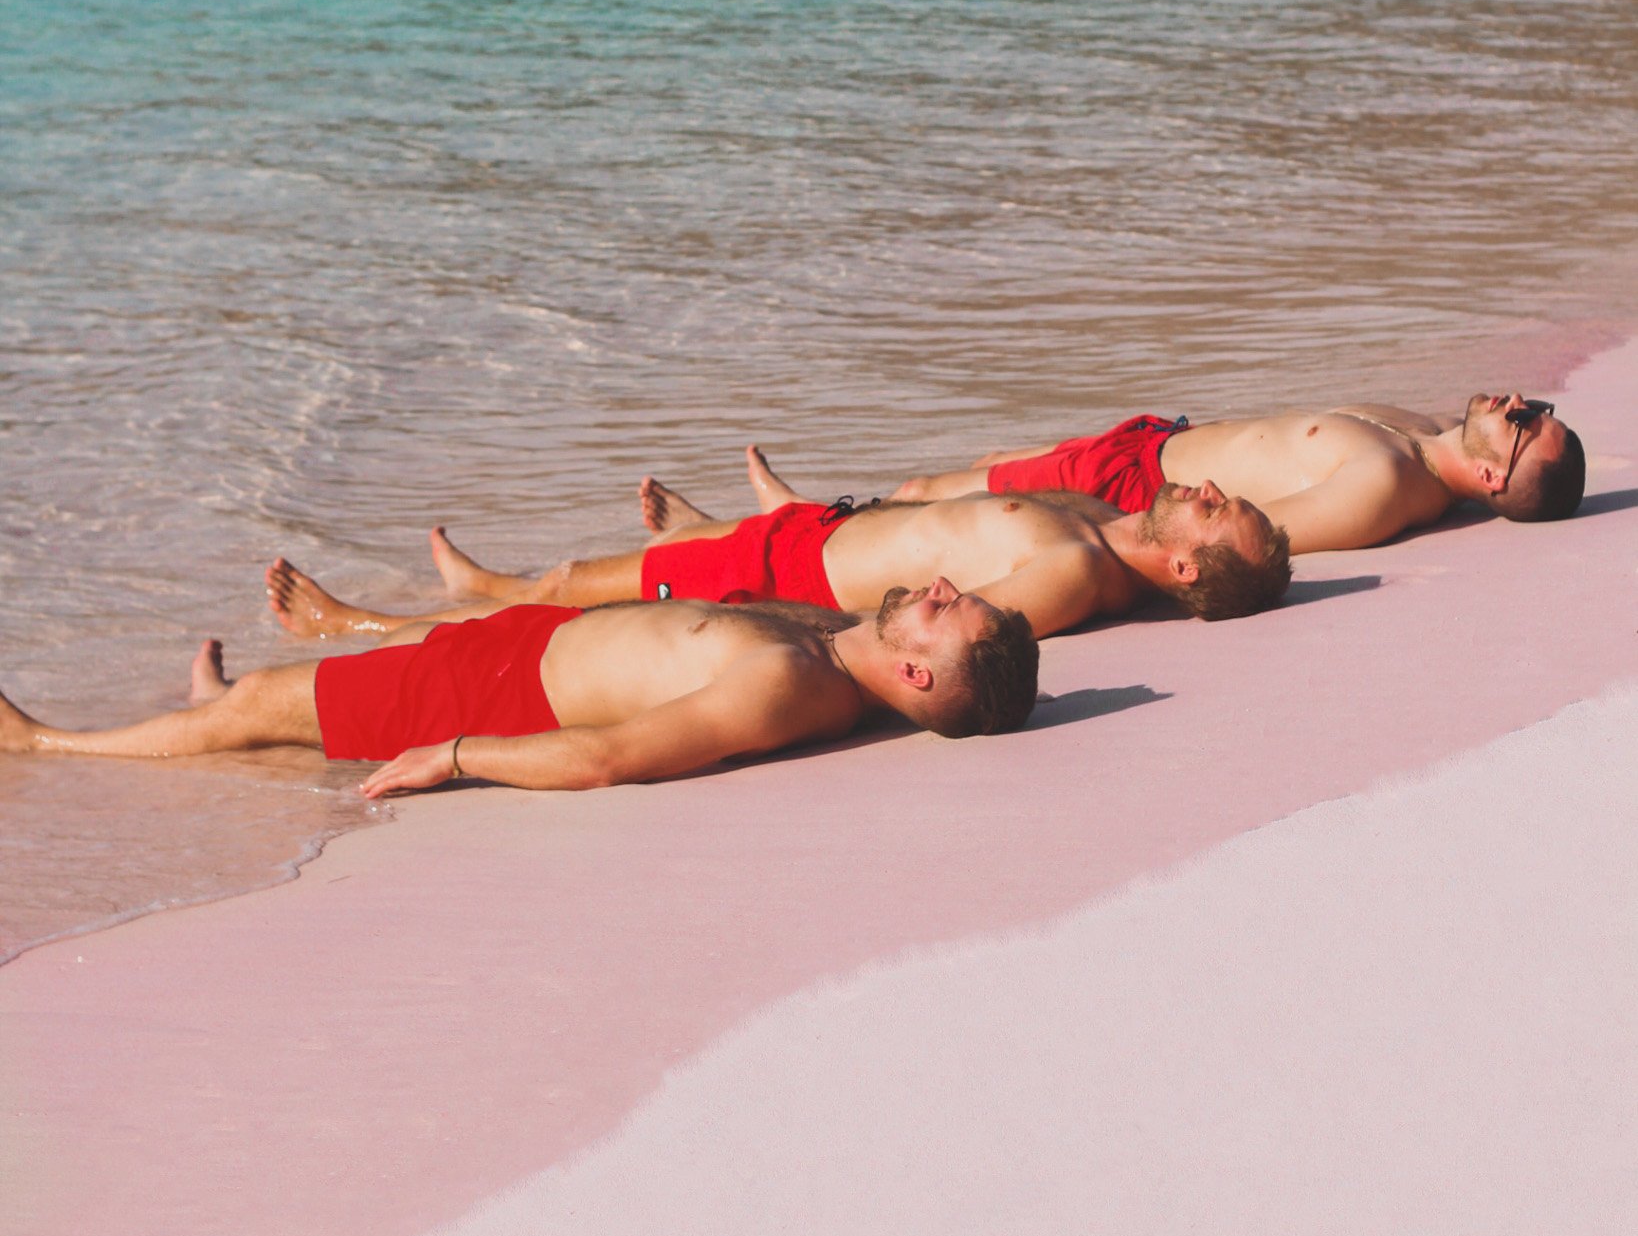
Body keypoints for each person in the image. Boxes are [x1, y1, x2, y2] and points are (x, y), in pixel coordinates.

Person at [0, 582, 1040, 798]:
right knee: (289, 698)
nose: (944, 586)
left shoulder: (789, 681)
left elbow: (609, 757)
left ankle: (49, 745)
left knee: (260, 703)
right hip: (528, 646)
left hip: (496, 693)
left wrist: (457, 753)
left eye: (954, 612)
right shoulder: (838, 651)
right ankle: (224, 711)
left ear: (916, 672)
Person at [263, 444, 1291, 646]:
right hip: (814, 537)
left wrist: (756, 610)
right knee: (564, 586)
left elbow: (910, 625)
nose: (1204, 486)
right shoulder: (1103, 535)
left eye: (1215, 509)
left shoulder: (1073, 573)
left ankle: (358, 626)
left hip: (785, 574)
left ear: (1190, 565)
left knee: (572, 595)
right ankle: (478, 585)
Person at [891, 392, 1585, 554]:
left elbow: (1254, 534)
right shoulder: (1429, 442)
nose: (1517, 403)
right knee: (987, 465)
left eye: (1523, 423)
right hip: (1154, 441)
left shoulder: (1385, 488)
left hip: (1127, 487)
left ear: (1493, 478)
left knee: (924, 498)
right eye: (1538, 407)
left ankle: (798, 536)